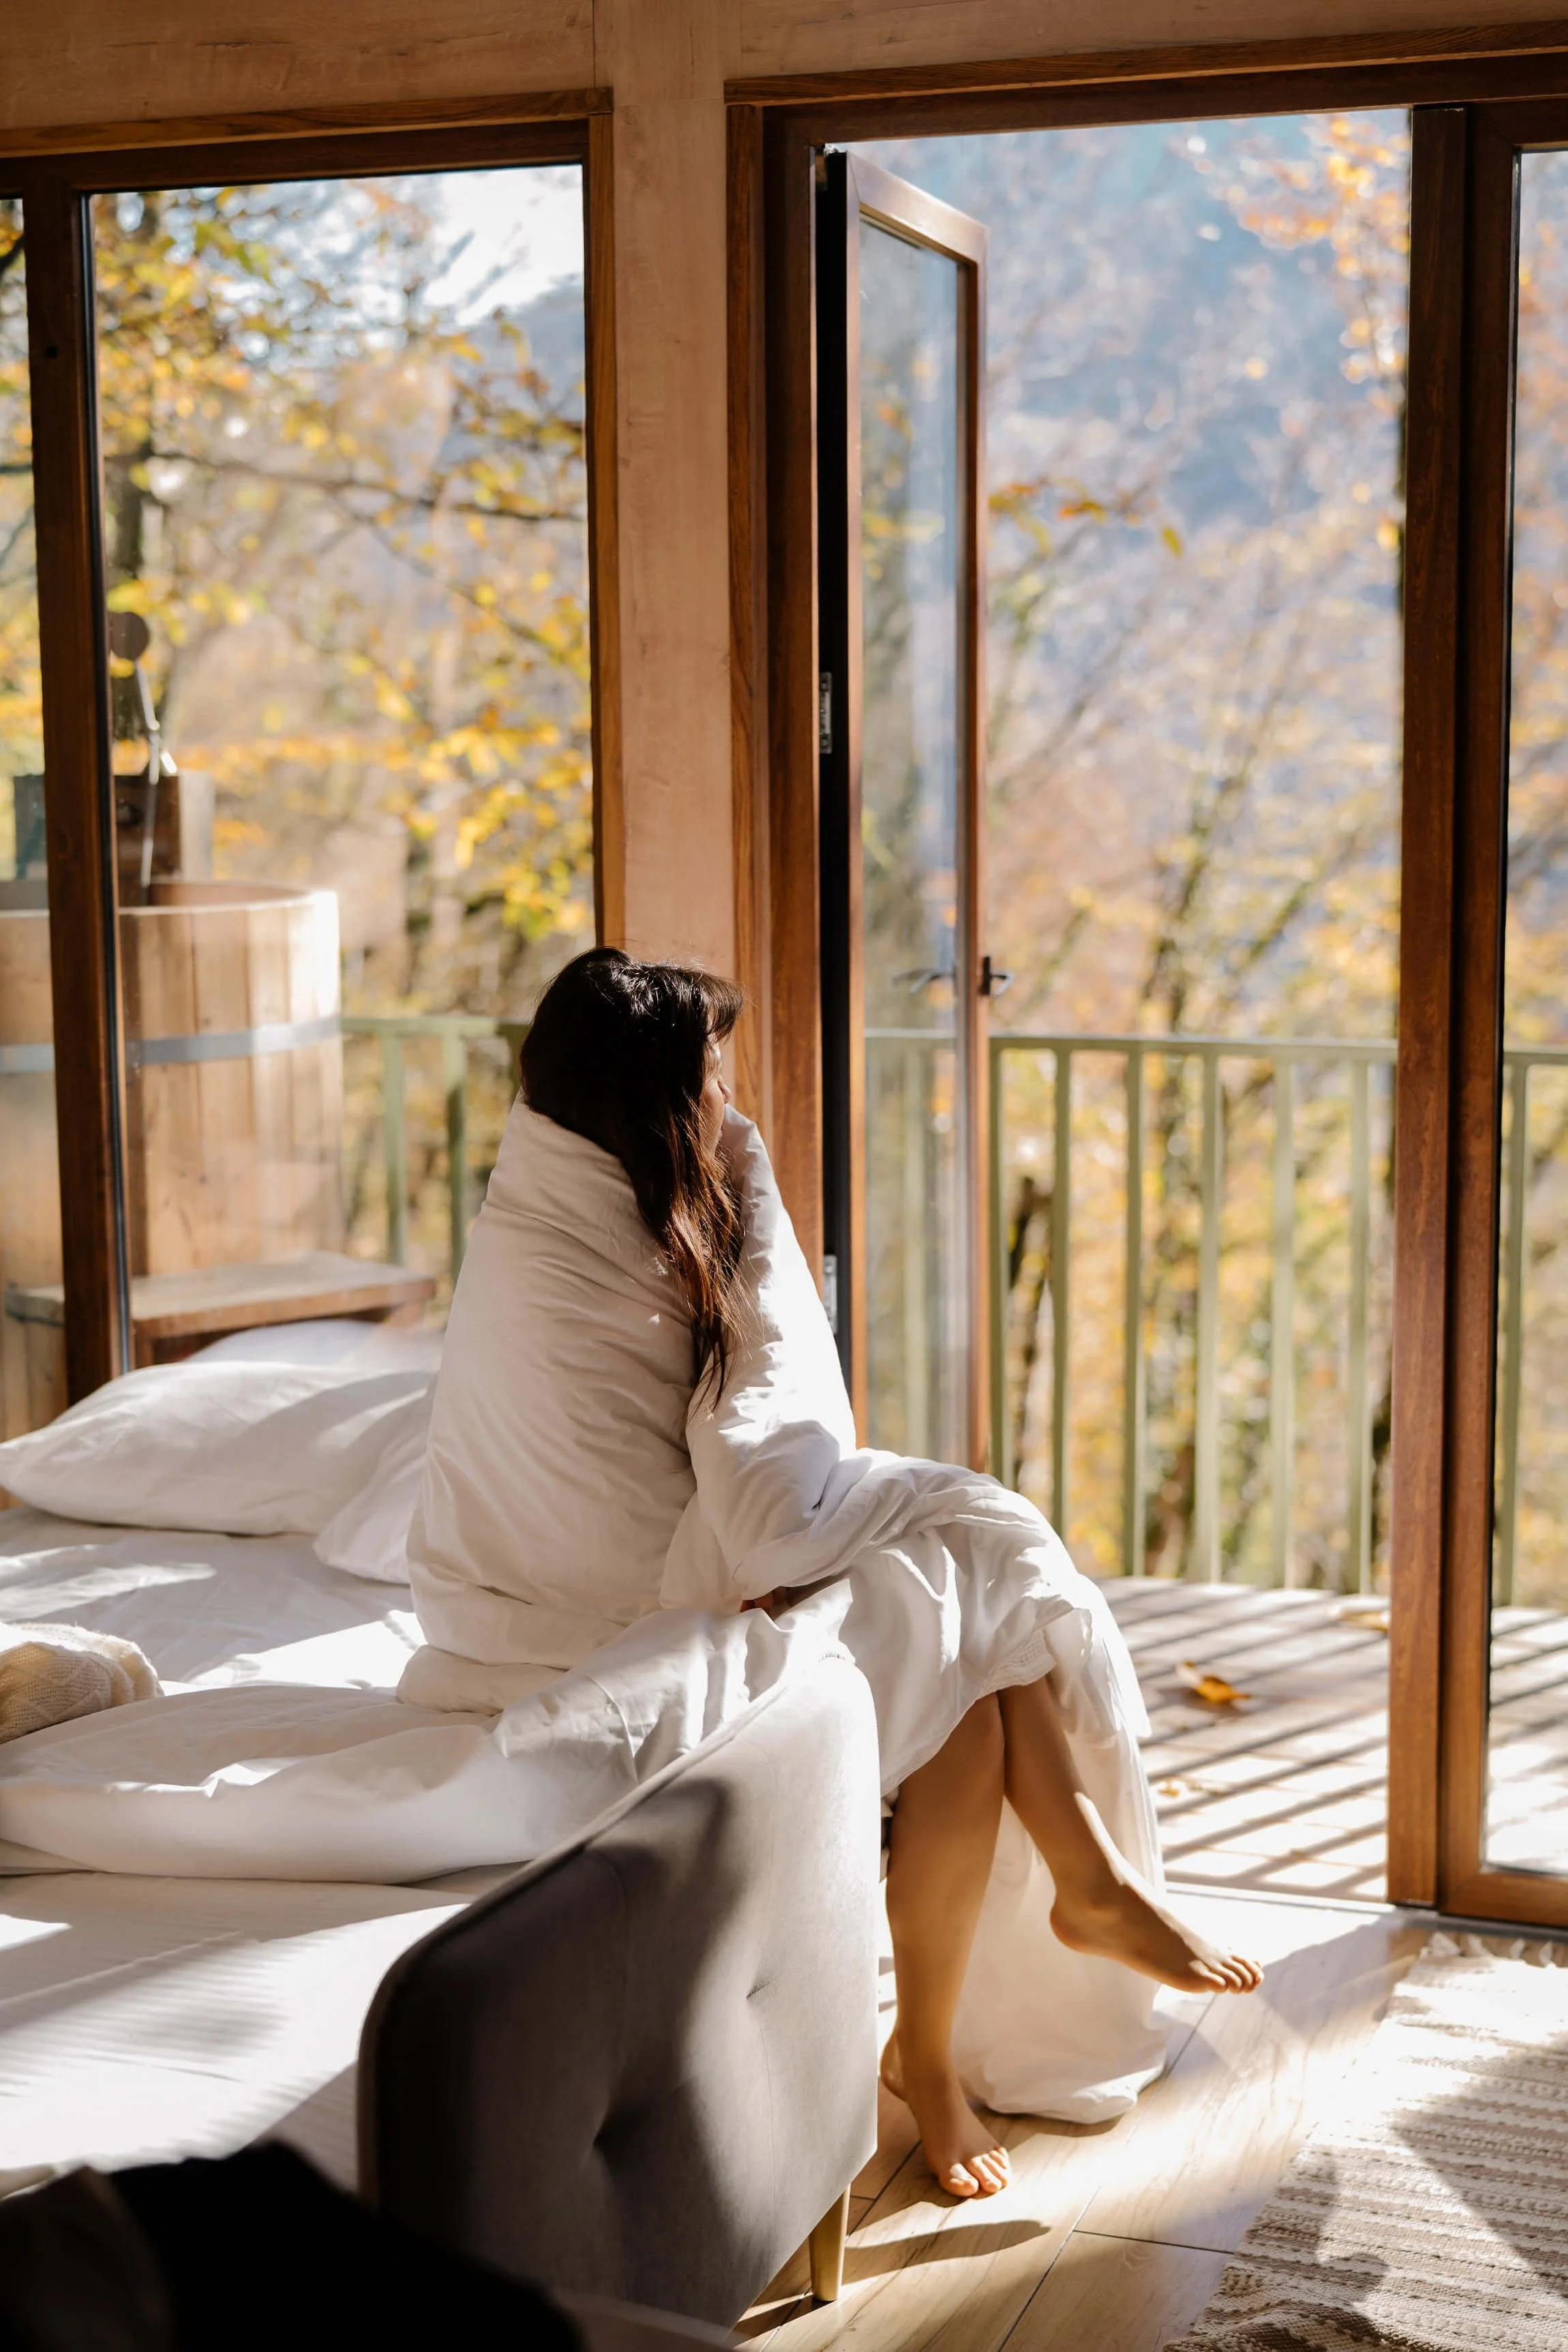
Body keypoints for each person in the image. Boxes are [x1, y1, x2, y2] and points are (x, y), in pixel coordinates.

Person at [413, 948, 1261, 2202]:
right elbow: (767, 1497)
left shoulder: (536, 1202)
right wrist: (752, 1193)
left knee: (963, 1634)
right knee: (970, 1582)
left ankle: (997, 1980)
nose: (727, 1099)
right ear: (653, 1096)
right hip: (612, 1636)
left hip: (542, 1615)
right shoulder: (611, 1229)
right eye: (713, 1074)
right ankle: (1031, 1937)